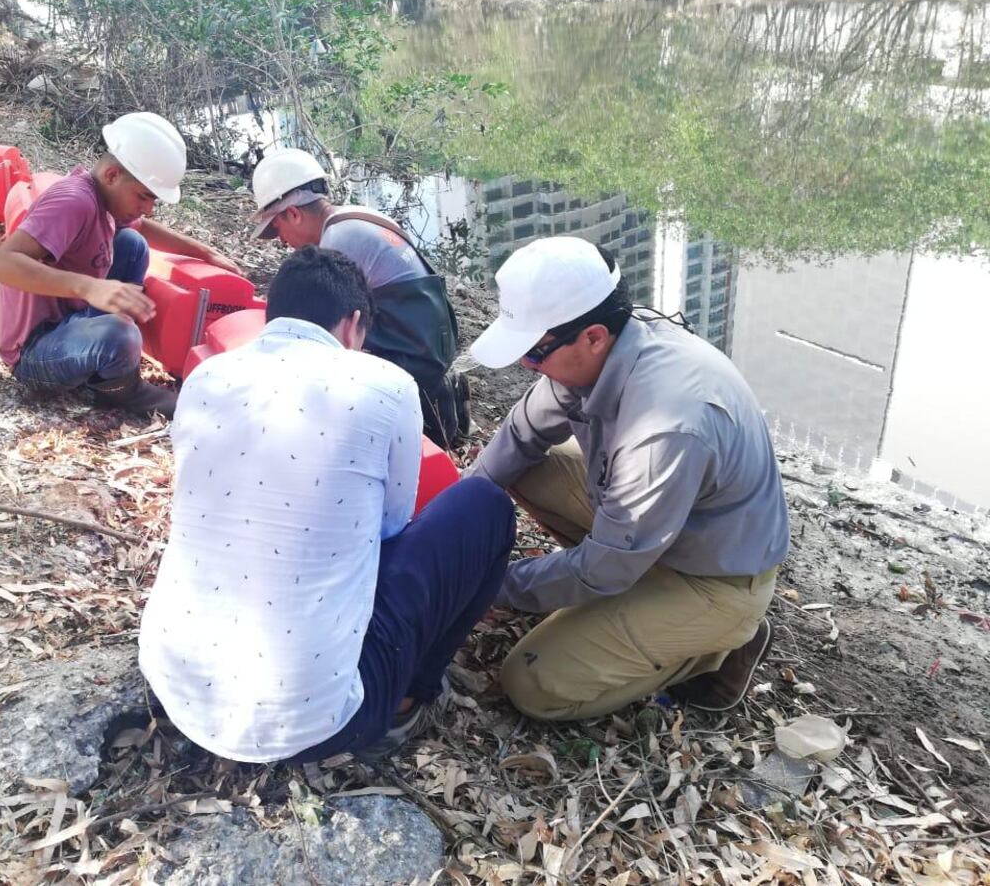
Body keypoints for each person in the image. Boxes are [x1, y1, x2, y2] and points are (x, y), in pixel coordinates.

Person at [138, 246, 516, 763]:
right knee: (485, 503)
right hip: (321, 724)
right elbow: (392, 524)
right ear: (353, 324)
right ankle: (410, 696)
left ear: (273, 313)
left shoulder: (207, 377)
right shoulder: (386, 385)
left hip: (175, 688)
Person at [464, 236, 790, 720]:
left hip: (714, 578)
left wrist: (489, 586)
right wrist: (454, 513)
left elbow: (604, 569)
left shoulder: (667, 425)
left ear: (593, 336)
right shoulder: (601, 348)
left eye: (534, 355)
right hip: (656, 530)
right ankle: (644, 605)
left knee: (531, 684)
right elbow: (522, 432)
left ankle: (714, 649)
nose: (526, 366)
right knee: (523, 470)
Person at [0, 112, 240, 418]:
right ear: (112, 175)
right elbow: (0, 265)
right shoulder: (73, 201)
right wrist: (90, 287)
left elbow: (141, 227)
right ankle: (122, 390)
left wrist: (205, 252)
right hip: (33, 353)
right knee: (120, 334)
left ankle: (106, 365)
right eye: (144, 196)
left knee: (132, 244)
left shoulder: (104, 200)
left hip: (72, 323)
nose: (148, 208)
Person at [247, 147, 468, 449]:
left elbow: (326, 330)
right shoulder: (353, 218)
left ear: (294, 213)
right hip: (432, 337)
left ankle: (425, 404)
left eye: (278, 229)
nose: (284, 242)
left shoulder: (339, 240)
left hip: (412, 348)